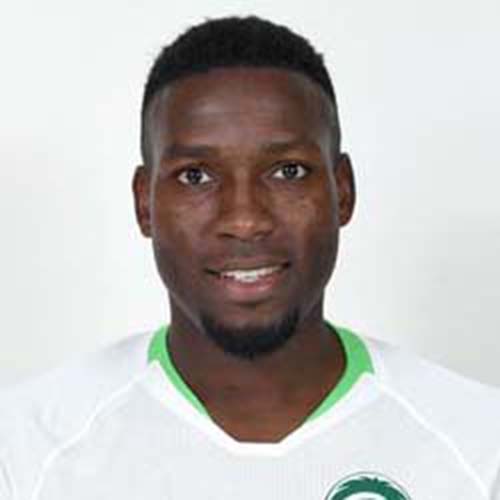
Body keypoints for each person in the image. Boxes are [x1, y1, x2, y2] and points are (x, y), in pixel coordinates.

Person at [1, 15, 500, 500]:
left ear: (343, 191)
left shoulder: (479, 449)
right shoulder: (25, 451)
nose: (244, 220)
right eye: (196, 176)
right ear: (144, 204)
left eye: (288, 171)